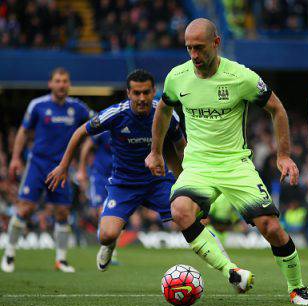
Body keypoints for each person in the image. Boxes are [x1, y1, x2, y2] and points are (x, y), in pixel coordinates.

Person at [146, 18, 308, 305]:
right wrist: (155, 151)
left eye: (200, 48)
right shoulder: (178, 76)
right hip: (198, 164)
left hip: (235, 163)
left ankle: (297, 287)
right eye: (189, 48)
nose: (194, 56)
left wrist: (283, 155)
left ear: (216, 43)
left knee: (271, 227)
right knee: (180, 210)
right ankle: (232, 272)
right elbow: (163, 109)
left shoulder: (241, 77)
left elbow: (277, 108)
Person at [46, 69, 186, 272]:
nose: (141, 98)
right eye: (136, 93)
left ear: (154, 91)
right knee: (106, 235)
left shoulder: (165, 113)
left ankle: (228, 269)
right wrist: (64, 165)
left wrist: (187, 180)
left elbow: (181, 147)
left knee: (189, 219)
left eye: (146, 92)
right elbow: (80, 133)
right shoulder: (115, 115)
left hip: (157, 181)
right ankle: (110, 246)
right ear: (128, 93)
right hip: (124, 184)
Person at [1, 67, 93, 273]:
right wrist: (15, 158)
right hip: (38, 164)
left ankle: (61, 260)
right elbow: (24, 132)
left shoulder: (78, 108)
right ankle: (9, 254)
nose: (61, 84)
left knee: (62, 212)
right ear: (50, 84)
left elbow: (95, 127)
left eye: (65, 81)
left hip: (61, 168)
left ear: (69, 84)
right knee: (25, 209)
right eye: (57, 81)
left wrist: (81, 162)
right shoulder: (38, 105)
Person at [77, 132, 119, 264]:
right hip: (100, 177)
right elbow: (86, 146)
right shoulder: (104, 128)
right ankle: (107, 249)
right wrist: (82, 169)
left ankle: (108, 251)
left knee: (115, 213)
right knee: (101, 210)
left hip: (118, 176)